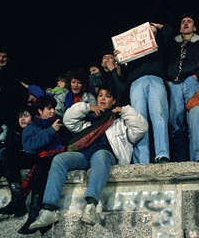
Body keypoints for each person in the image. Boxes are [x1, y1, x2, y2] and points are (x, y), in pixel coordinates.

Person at [26, 87, 148, 231]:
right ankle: (49, 210)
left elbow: (141, 127)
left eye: (107, 96)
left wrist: (124, 110)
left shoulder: (120, 123)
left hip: (107, 154)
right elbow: (68, 119)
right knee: (60, 159)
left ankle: (91, 207)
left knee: (100, 155)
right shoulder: (89, 122)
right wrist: (88, 107)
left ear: (113, 100)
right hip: (85, 155)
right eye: (100, 96)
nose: (103, 98)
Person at [151, 13, 199, 161]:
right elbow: (162, 59)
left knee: (193, 118)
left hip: (191, 81)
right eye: (183, 22)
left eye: (189, 22)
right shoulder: (172, 45)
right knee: (176, 122)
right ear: (180, 28)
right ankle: (181, 159)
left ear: (194, 27)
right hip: (173, 84)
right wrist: (167, 80)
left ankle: (197, 157)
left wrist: (196, 76)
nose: (186, 23)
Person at [117, 22, 170, 164]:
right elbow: (122, 73)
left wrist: (161, 27)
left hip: (156, 78)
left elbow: (170, 39)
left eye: (151, 30)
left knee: (159, 116)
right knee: (139, 121)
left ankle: (162, 154)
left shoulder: (160, 45)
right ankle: (142, 160)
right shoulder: (133, 50)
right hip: (135, 82)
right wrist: (120, 57)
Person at [17, 96, 65, 234]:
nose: (52, 111)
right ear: (39, 111)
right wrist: (50, 131)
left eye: (53, 108)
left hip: (55, 157)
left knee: (42, 165)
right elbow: (30, 146)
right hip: (39, 159)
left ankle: (35, 215)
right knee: (40, 167)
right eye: (49, 108)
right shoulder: (32, 127)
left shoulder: (58, 123)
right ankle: (33, 213)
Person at [0, 107, 36, 218]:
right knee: (6, 155)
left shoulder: (35, 129)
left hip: (34, 158)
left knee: (8, 155)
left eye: (26, 116)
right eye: (20, 116)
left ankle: (17, 201)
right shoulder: (15, 131)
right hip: (19, 158)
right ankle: (17, 200)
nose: (22, 119)